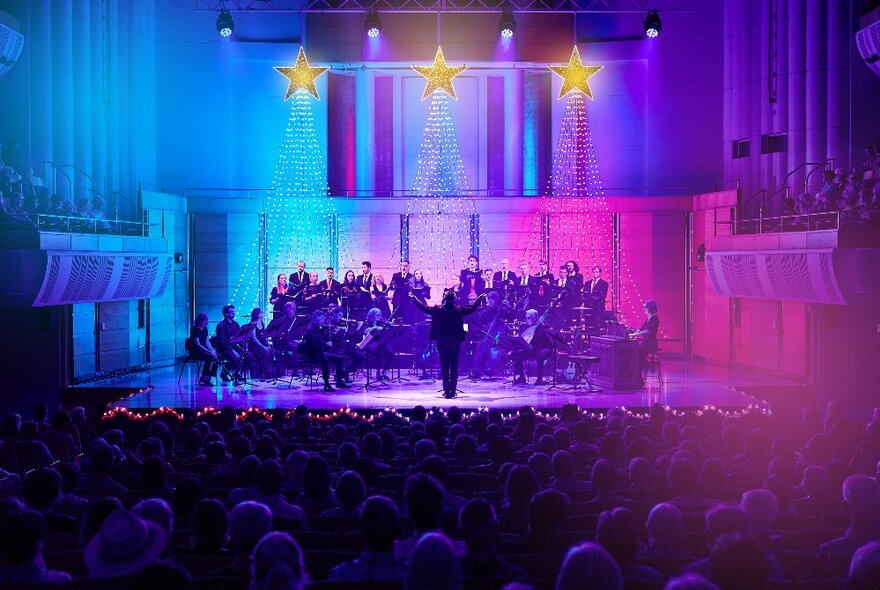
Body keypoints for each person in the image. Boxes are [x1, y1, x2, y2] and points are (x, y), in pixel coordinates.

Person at [410, 289, 485, 398]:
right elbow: (472, 309)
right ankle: (453, 390)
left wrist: (415, 300)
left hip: (442, 341)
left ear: (444, 299)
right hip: (455, 342)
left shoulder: (438, 310)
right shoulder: (458, 310)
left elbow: (425, 309)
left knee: (444, 366)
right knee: (454, 366)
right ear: (454, 299)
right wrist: (479, 299)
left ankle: (447, 391)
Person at [511, 309, 553, 386]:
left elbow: (543, 340)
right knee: (515, 354)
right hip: (532, 349)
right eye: (526, 318)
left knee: (540, 354)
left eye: (529, 318)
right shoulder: (528, 327)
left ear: (535, 317)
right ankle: (521, 378)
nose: (527, 320)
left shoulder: (541, 326)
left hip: (543, 348)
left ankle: (539, 379)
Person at [186, 312, 219, 386]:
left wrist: (212, 351)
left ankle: (210, 376)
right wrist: (209, 352)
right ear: (199, 321)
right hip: (195, 351)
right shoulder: (194, 329)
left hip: (203, 350)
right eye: (203, 321)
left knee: (218, 356)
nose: (204, 322)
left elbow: (207, 342)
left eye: (205, 321)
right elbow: (198, 345)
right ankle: (204, 377)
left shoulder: (205, 329)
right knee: (209, 357)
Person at [632, 300, 660, 368]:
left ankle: (638, 374)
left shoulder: (654, 318)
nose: (644, 310)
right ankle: (637, 374)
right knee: (636, 353)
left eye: (646, 308)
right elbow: (641, 329)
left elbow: (648, 331)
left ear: (650, 309)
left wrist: (636, 334)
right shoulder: (648, 319)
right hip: (646, 343)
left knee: (638, 355)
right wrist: (634, 333)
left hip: (650, 344)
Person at [214, 305, 242, 374]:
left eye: (233, 312)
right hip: (224, 349)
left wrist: (243, 346)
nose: (234, 313)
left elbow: (239, 338)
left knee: (247, 355)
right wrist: (233, 351)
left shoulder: (236, 324)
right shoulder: (221, 325)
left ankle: (237, 373)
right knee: (236, 357)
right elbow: (222, 342)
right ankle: (227, 373)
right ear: (226, 314)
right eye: (231, 312)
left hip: (234, 347)